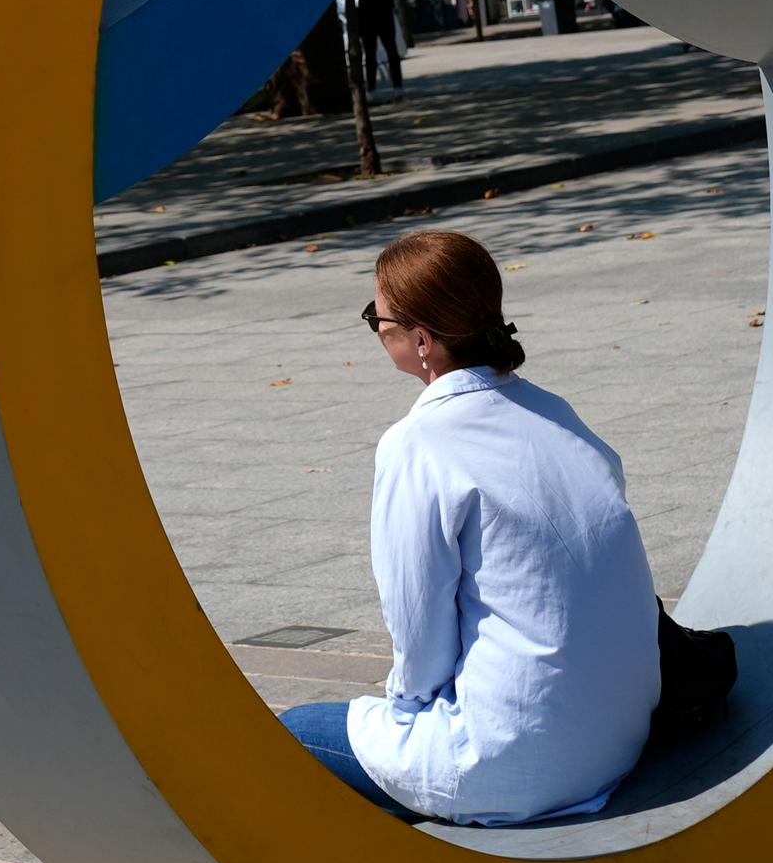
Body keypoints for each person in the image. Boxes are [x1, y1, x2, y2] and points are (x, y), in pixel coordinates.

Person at [281, 230, 658, 826]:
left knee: (288, 737)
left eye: (377, 317)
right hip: (620, 734)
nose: (377, 330)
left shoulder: (420, 442)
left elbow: (417, 617)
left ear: (422, 339)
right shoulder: (557, 412)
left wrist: (405, 712)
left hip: (515, 756)